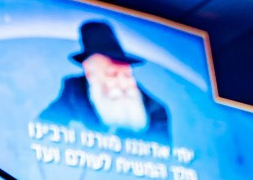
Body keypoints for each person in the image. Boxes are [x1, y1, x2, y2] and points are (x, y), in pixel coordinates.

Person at [39, 21, 171, 142]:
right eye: (113, 75)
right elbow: (44, 126)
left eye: (127, 75)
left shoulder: (156, 111)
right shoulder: (74, 91)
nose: (122, 84)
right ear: (89, 73)